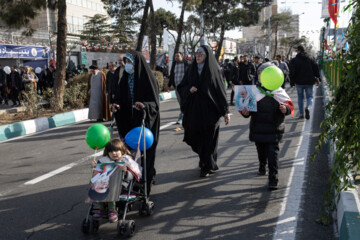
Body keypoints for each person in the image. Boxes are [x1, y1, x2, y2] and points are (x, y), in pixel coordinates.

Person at [177, 45, 230, 178]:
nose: (198, 56)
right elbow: (181, 86)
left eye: (201, 54)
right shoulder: (191, 69)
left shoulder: (214, 70)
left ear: (207, 56)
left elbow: (220, 91)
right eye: (197, 54)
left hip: (210, 111)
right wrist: (189, 89)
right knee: (196, 136)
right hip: (194, 111)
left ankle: (206, 165)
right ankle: (206, 161)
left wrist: (225, 111)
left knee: (209, 139)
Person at [112, 52, 160, 195]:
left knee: (145, 152)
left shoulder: (147, 78)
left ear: (137, 64)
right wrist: (117, 106)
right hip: (130, 122)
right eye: (126, 62)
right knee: (130, 152)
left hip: (145, 122)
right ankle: (130, 179)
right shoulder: (125, 79)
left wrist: (144, 105)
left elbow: (154, 104)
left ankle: (146, 179)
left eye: (130, 62)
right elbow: (120, 98)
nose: (127, 66)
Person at [240, 62, 294, 189]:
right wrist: (245, 112)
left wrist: (284, 109)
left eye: (264, 73)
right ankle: (262, 164)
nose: (261, 76)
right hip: (258, 128)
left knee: (273, 153)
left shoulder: (279, 92)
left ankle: (273, 178)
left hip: (274, 128)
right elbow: (246, 111)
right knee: (261, 151)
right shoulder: (252, 92)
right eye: (259, 73)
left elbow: (289, 107)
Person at [90, 139, 141, 223]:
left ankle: (112, 210)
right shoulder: (103, 160)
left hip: (121, 185)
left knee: (110, 187)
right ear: (107, 152)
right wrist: (94, 167)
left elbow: (131, 176)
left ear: (122, 151)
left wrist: (124, 171)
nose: (114, 153)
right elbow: (96, 175)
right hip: (105, 182)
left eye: (117, 150)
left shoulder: (126, 161)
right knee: (96, 186)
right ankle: (101, 208)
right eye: (111, 151)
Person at [289, 45, 321, 119]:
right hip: (309, 81)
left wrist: (292, 81)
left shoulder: (294, 60)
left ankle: (301, 114)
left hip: (299, 82)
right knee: (310, 96)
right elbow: (316, 69)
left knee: (300, 98)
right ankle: (308, 107)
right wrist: (318, 78)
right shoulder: (310, 58)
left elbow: (292, 72)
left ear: (299, 50)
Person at [168, 52, 189, 124]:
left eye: (178, 56)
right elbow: (172, 75)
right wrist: (169, 85)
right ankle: (186, 115)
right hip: (177, 87)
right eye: (175, 56)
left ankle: (181, 117)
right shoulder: (174, 65)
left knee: (184, 102)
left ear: (182, 57)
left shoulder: (187, 64)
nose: (176, 57)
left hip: (185, 87)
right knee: (181, 103)